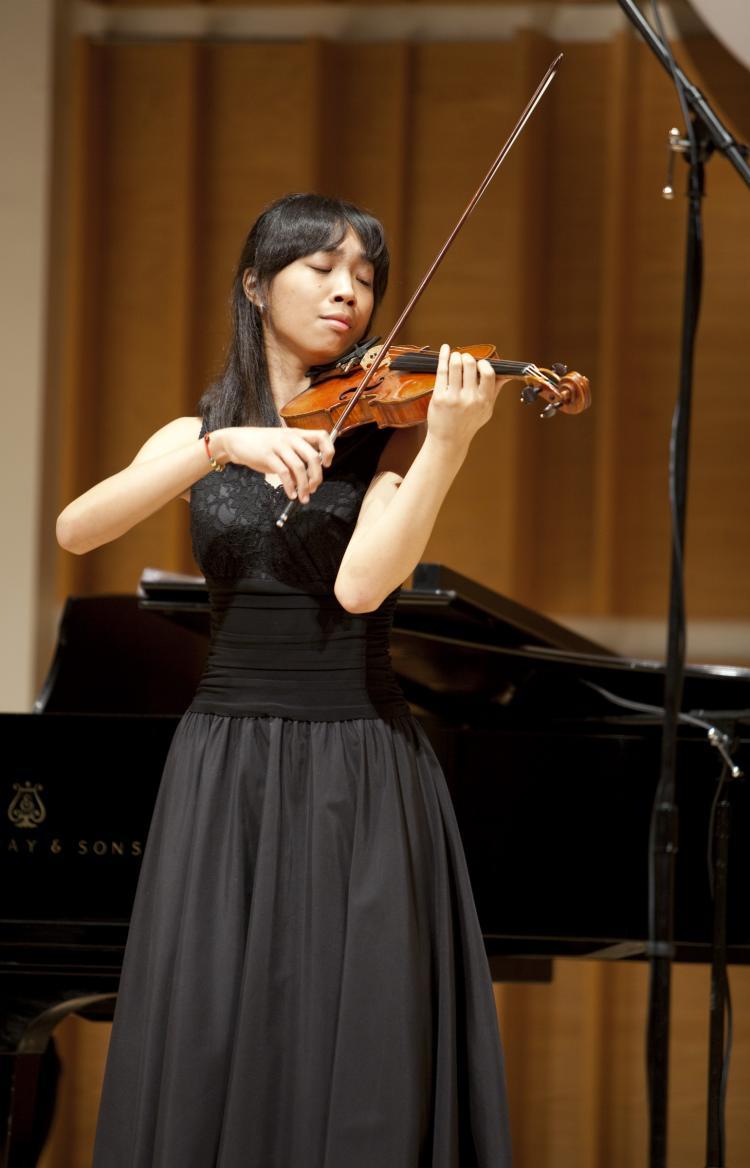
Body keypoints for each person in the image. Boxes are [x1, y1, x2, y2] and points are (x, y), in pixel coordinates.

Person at [57, 192, 512, 1166]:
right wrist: (218, 447)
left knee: (353, 1045)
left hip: (356, 758)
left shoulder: (385, 434)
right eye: (321, 266)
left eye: (365, 275)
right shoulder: (199, 435)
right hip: (223, 764)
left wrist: (447, 444)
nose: (349, 290)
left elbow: (358, 587)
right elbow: (76, 528)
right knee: (216, 1023)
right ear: (257, 286)